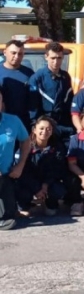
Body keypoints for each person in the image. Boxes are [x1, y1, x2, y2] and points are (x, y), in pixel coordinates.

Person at [15, 116, 65, 217]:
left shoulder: (57, 147)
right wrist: (36, 188)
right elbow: (22, 172)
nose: (44, 131)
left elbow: (57, 170)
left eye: (48, 129)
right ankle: (23, 206)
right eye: (41, 128)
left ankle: (50, 204)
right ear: (34, 130)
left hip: (46, 182)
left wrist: (45, 184)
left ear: (52, 131)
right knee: (22, 192)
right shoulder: (25, 146)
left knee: (58, 189)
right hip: (29, 182)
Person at [30, 42, 74, 144]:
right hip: (45, 126)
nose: (56, 62)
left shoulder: (65, 76)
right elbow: (32, 106)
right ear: (46, 57)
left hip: (63, 125)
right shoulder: (37, 78)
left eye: (59, 58)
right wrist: (34, 126)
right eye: (53, 58)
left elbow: (69, 101)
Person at [0, 90, 30, 229]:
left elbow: (25, 141)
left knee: (10, 217)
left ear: (2, 104)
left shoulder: (13, 121)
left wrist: (20, 165)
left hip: (6, 176)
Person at [0, 39, 36, 131]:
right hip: (3, 122)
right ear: (5, 52)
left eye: (20, 54)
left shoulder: (29, 73)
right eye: (13, 53)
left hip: (23, 122)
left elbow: (34, 100)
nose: (16, 56)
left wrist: (33, 122)